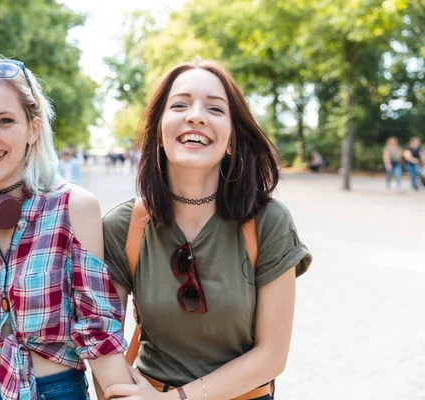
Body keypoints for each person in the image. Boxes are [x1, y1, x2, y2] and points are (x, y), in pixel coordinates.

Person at [0, 59, 132, 400]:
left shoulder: (74, 208)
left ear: (33, 129)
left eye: (5, 120)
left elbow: (98, 335)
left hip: (57, 390)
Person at [101, 59, 312, 400]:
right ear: (158, 132)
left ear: (231, 140)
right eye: (180, 105)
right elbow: (104, 341)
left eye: (214, 108)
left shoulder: (267, 222)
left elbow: (272, 355)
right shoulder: (122, 226)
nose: (195, 116)